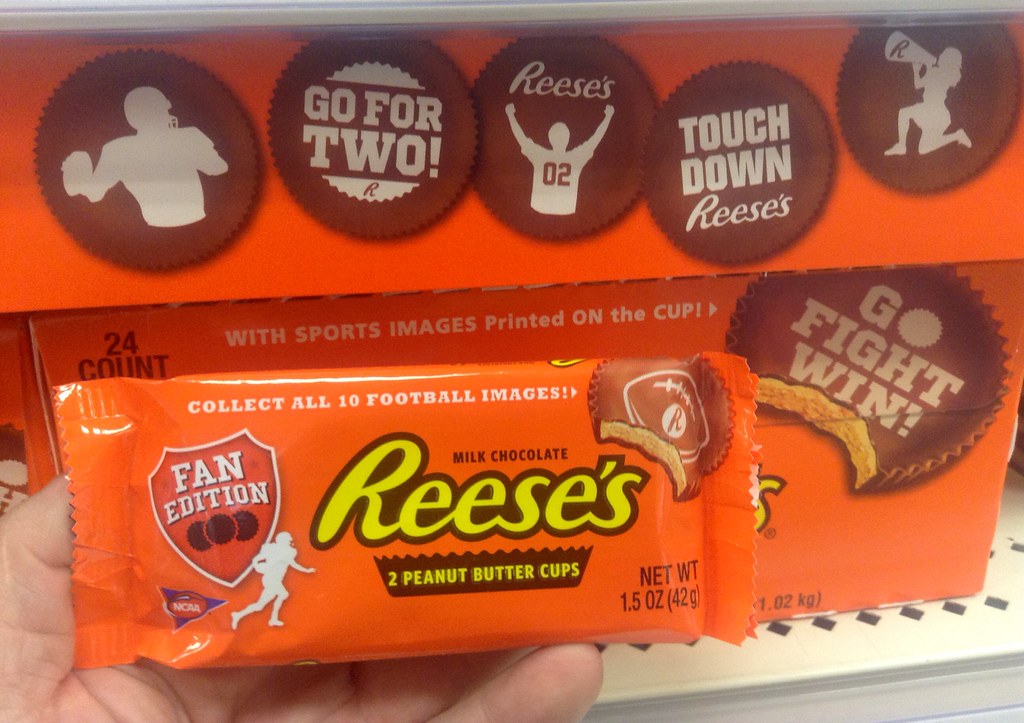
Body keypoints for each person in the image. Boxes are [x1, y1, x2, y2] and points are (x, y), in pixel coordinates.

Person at [0, 479, 603, 722]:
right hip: (244, 616)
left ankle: (253, 613)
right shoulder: (273, 554)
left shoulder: (285, 553)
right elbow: (287, 562)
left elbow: (303, 563)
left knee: (269, 604)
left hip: (275, 600)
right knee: (259, 606)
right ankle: (245, 613)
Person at [61, 86, 229, 228]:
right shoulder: (189, 136)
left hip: (155, 224)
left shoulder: (117, 149)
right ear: (160, 110)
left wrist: (77, 170)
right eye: (166, 109)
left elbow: (94, 194)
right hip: (195, 220)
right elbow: (219, 167)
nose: (169, 113)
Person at [505, 103, 614, 216]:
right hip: (567, 210)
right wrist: (608, 116)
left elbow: (521, 138)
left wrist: (510, 115)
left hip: (537, 209)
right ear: (568, 139)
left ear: (550, 138)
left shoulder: (540, 155)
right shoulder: (575, 157)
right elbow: (595, 139)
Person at [231, 531, 315, 629]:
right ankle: (272, 619)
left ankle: (239, 615)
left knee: (260, 605)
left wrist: (258, 564)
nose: (291, 540)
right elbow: (293, 564)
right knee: (282, 595)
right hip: (271, 579)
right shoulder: (283, 552)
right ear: (283, 540)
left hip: (274, 579)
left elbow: (257, 559)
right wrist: (307, 570)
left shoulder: (284, 551)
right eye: (288, 538)